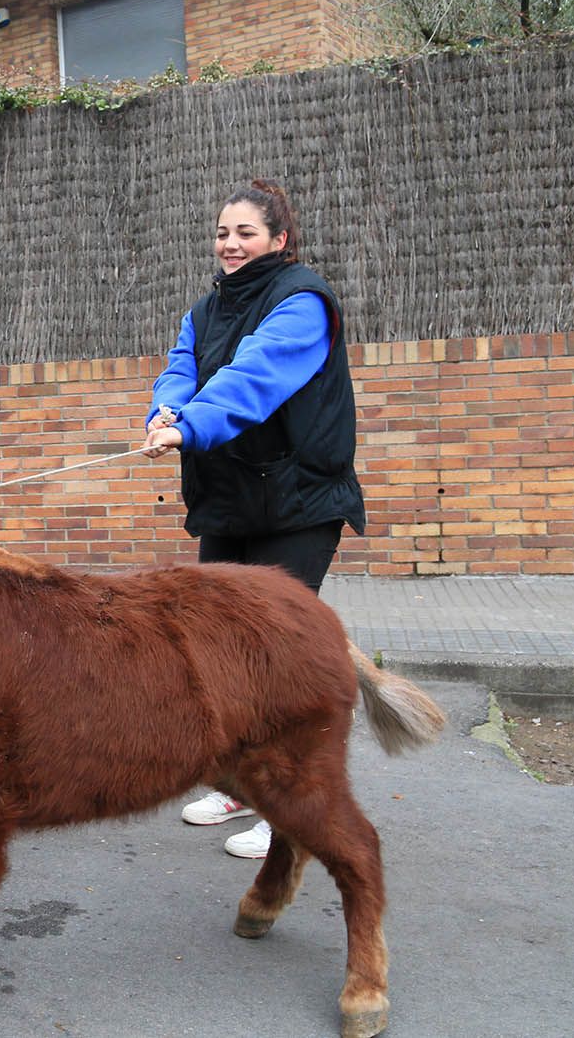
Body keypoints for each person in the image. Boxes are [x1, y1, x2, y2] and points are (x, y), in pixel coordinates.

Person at [142, 179, 365, 859]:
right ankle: (240, 784)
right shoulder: (205, 309)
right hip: (231, 501)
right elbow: (181, 368)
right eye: (222, 233)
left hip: (299, 504)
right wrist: (166, 410)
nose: (230, 244)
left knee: (277, 661)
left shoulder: (303, 302)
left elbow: (254, 378)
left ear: (279, 238)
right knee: (222, 654)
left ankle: (290, 801)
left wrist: (193, 426)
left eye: (245, 232)